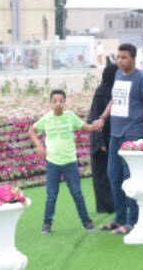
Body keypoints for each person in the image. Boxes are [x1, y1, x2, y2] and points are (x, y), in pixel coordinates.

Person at [87, 44, 143, 234]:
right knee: (113, 176)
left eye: (124, 57)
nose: (120, 60)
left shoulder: (142, 79)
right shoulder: (118, 74)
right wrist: (103, 118)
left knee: (130, 178)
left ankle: (133, 221)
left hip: (133, 135)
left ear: (133, 58)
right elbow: (114, 99)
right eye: (118, 57)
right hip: (115, 135)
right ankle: (120, 219)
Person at [29, 89, 95, 234]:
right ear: (50, 103)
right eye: (55, 101)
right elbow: (31, 130)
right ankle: (47, 223)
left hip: (70, 162)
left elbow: (88, 128)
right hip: (53, 163)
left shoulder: (71, 117)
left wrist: (96, 125)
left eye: (61, 101)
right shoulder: (46, 118)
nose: (58, 103)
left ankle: (86, 221)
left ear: (65, 103)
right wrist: (39, 146)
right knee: (51, 195)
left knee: (77, 192)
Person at [86, 62, 118, 216]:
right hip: (102, 141)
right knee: (103, 175)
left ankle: (115, 203)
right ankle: (107, 205)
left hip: (113, 138)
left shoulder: (115, 92)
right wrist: (100, 142)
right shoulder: (101, 93)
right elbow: (94, 118)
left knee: (112, 173)